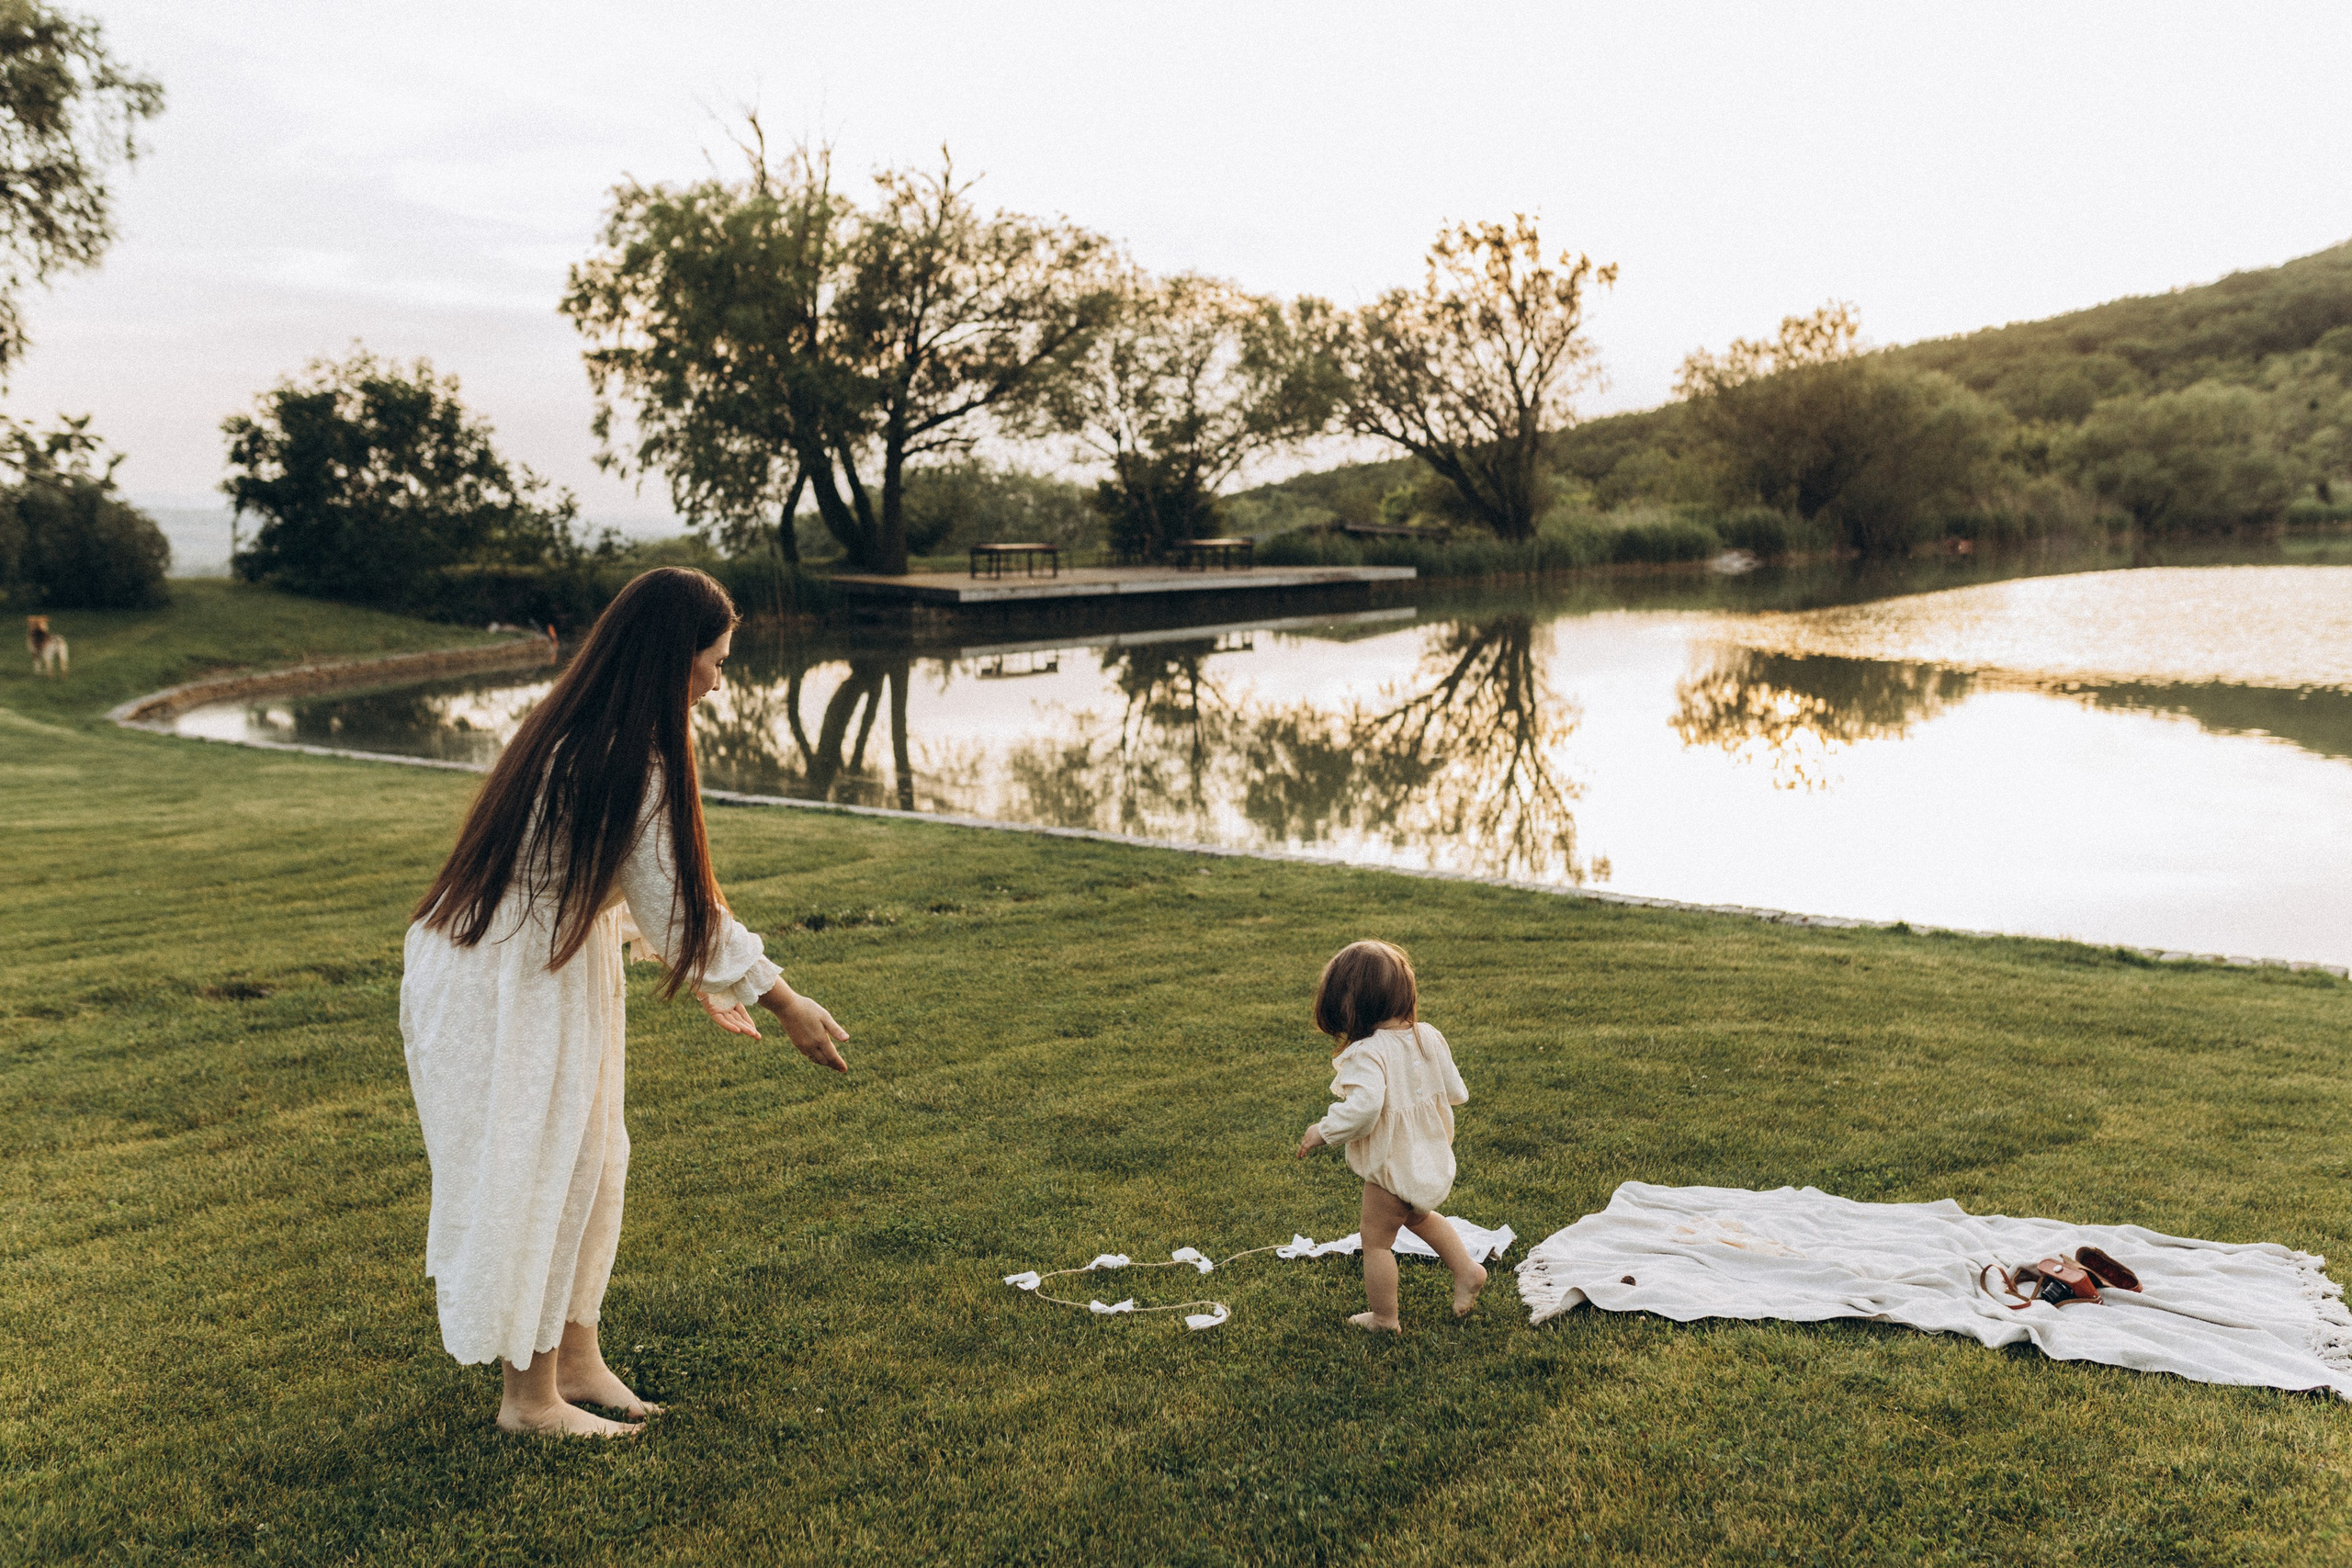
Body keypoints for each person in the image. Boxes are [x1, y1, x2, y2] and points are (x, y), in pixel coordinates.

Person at [401, 568, 849, 1438]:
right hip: (505, 971)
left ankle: (575, 1359)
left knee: (593, 1157)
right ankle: (529, 1401)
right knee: (539, 1162)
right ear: (675, 656)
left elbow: (635, 890)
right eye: (717, 661)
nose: (719, 681)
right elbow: (680, 909)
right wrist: (785, 1000)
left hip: (544, 958)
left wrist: (711, 974)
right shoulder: (624, 753)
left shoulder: (599, 727)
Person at [1295, 940, 1485, 1332]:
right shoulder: (1428, 1035)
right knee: (1418, 1217)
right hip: (1426, 1154)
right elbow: (1456, 1091)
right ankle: (1467, 1269)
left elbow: (1363, 1111)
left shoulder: (1367, 1053)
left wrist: (1322, 1131)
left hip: (1392, 1163)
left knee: (1376, 1241)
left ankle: (1384, 1317)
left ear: (1350, 1005)